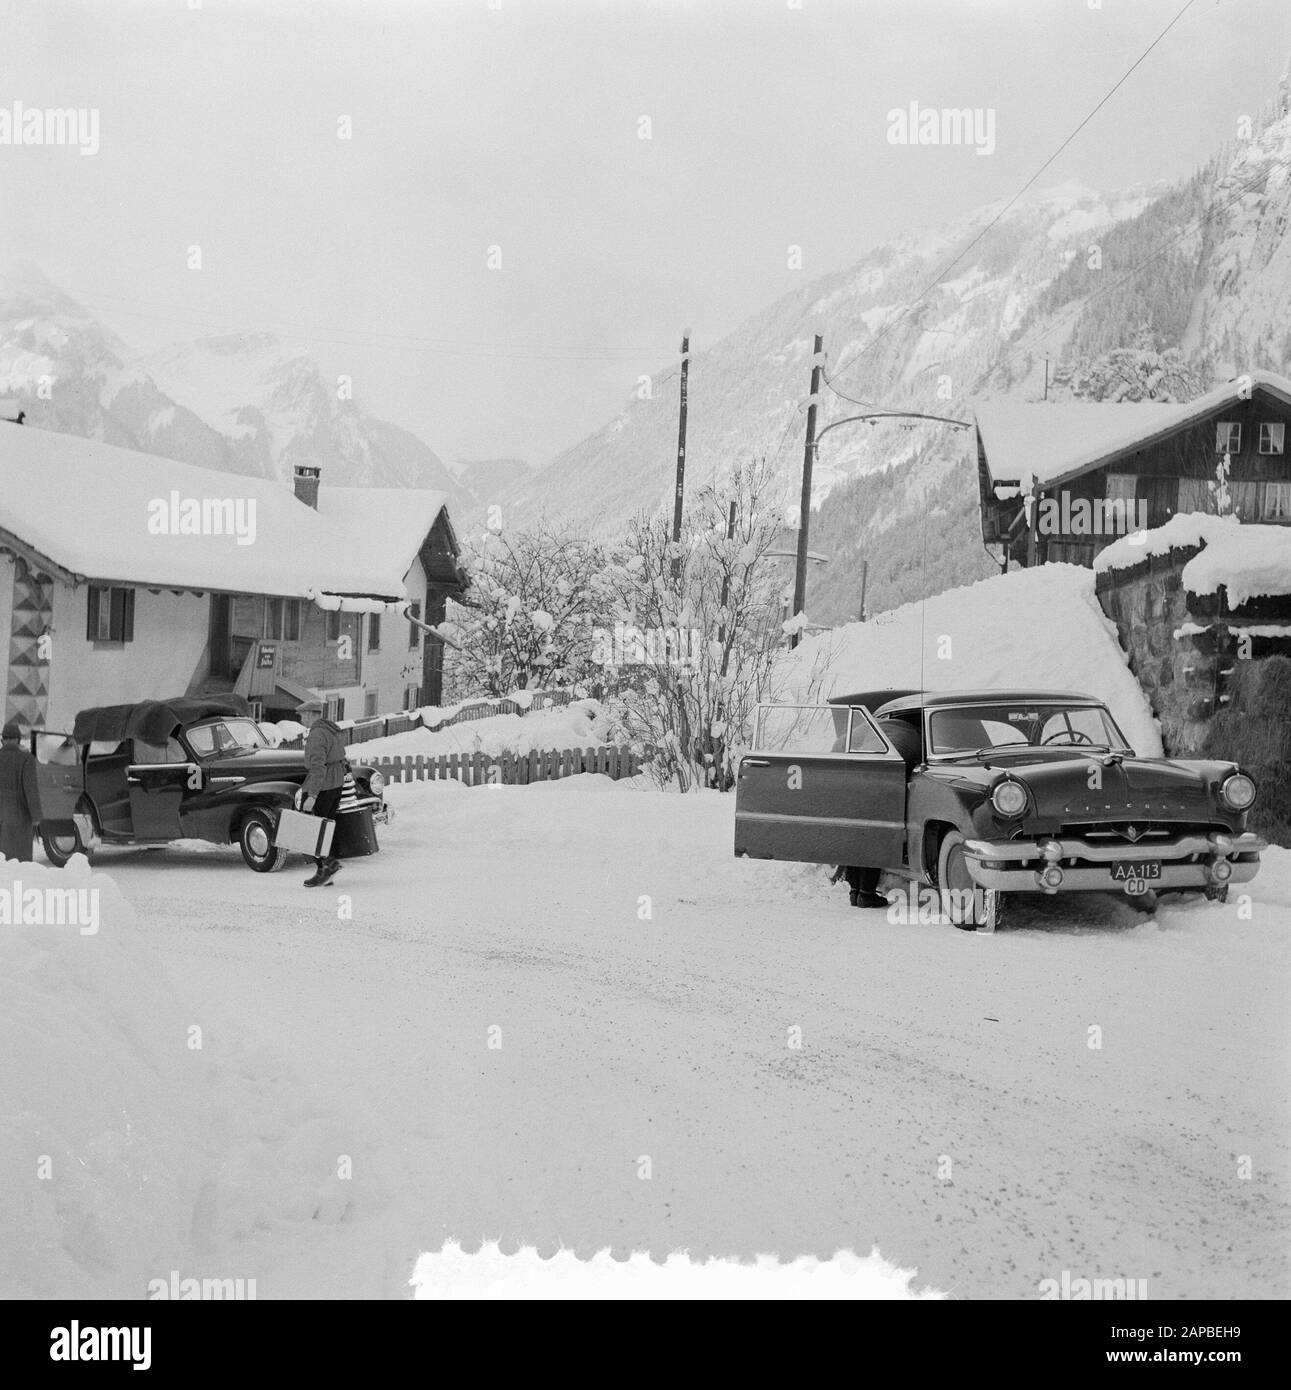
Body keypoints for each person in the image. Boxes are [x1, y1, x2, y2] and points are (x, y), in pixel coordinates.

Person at [297, 700, 346, 887]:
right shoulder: (332, 730)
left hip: (322, 786)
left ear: (310, 714)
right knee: (325, 827)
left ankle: (327, 867)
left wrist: (312, 796)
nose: (302, 719)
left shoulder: (316, 735)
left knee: (313, 830)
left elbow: (318, 767)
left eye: (303, 715)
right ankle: (326, 870)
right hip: (336, 783)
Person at [0, 720, 43, 862]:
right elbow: (31, 789)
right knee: (21, 862)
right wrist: (36, 817)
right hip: (21, 817)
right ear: (18, 740)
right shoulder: (27, 759)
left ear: (2, 740)